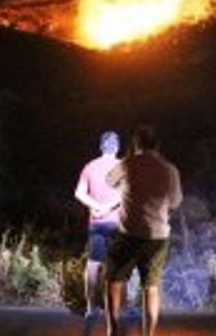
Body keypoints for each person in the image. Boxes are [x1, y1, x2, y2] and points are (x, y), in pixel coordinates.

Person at [104, 126, 182, 336]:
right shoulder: (170, 169)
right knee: (151, 287)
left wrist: (125, 187)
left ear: (136, 143)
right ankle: (148, 334)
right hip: (157, 236)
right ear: (158, 144)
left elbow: (109, 181)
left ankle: (112, 330)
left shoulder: (127, 164)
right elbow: (175, 202)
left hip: (128, 233)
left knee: (113, 280)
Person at [74, 131, 122, 317]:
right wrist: (107, 207)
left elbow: (79, 193)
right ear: (117, 147)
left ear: (101, 146)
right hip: (117, 223)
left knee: (93, 265)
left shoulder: (90, 166)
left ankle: (91, 308)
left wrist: (96, 207)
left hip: (97, 223)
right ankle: (116, 308)